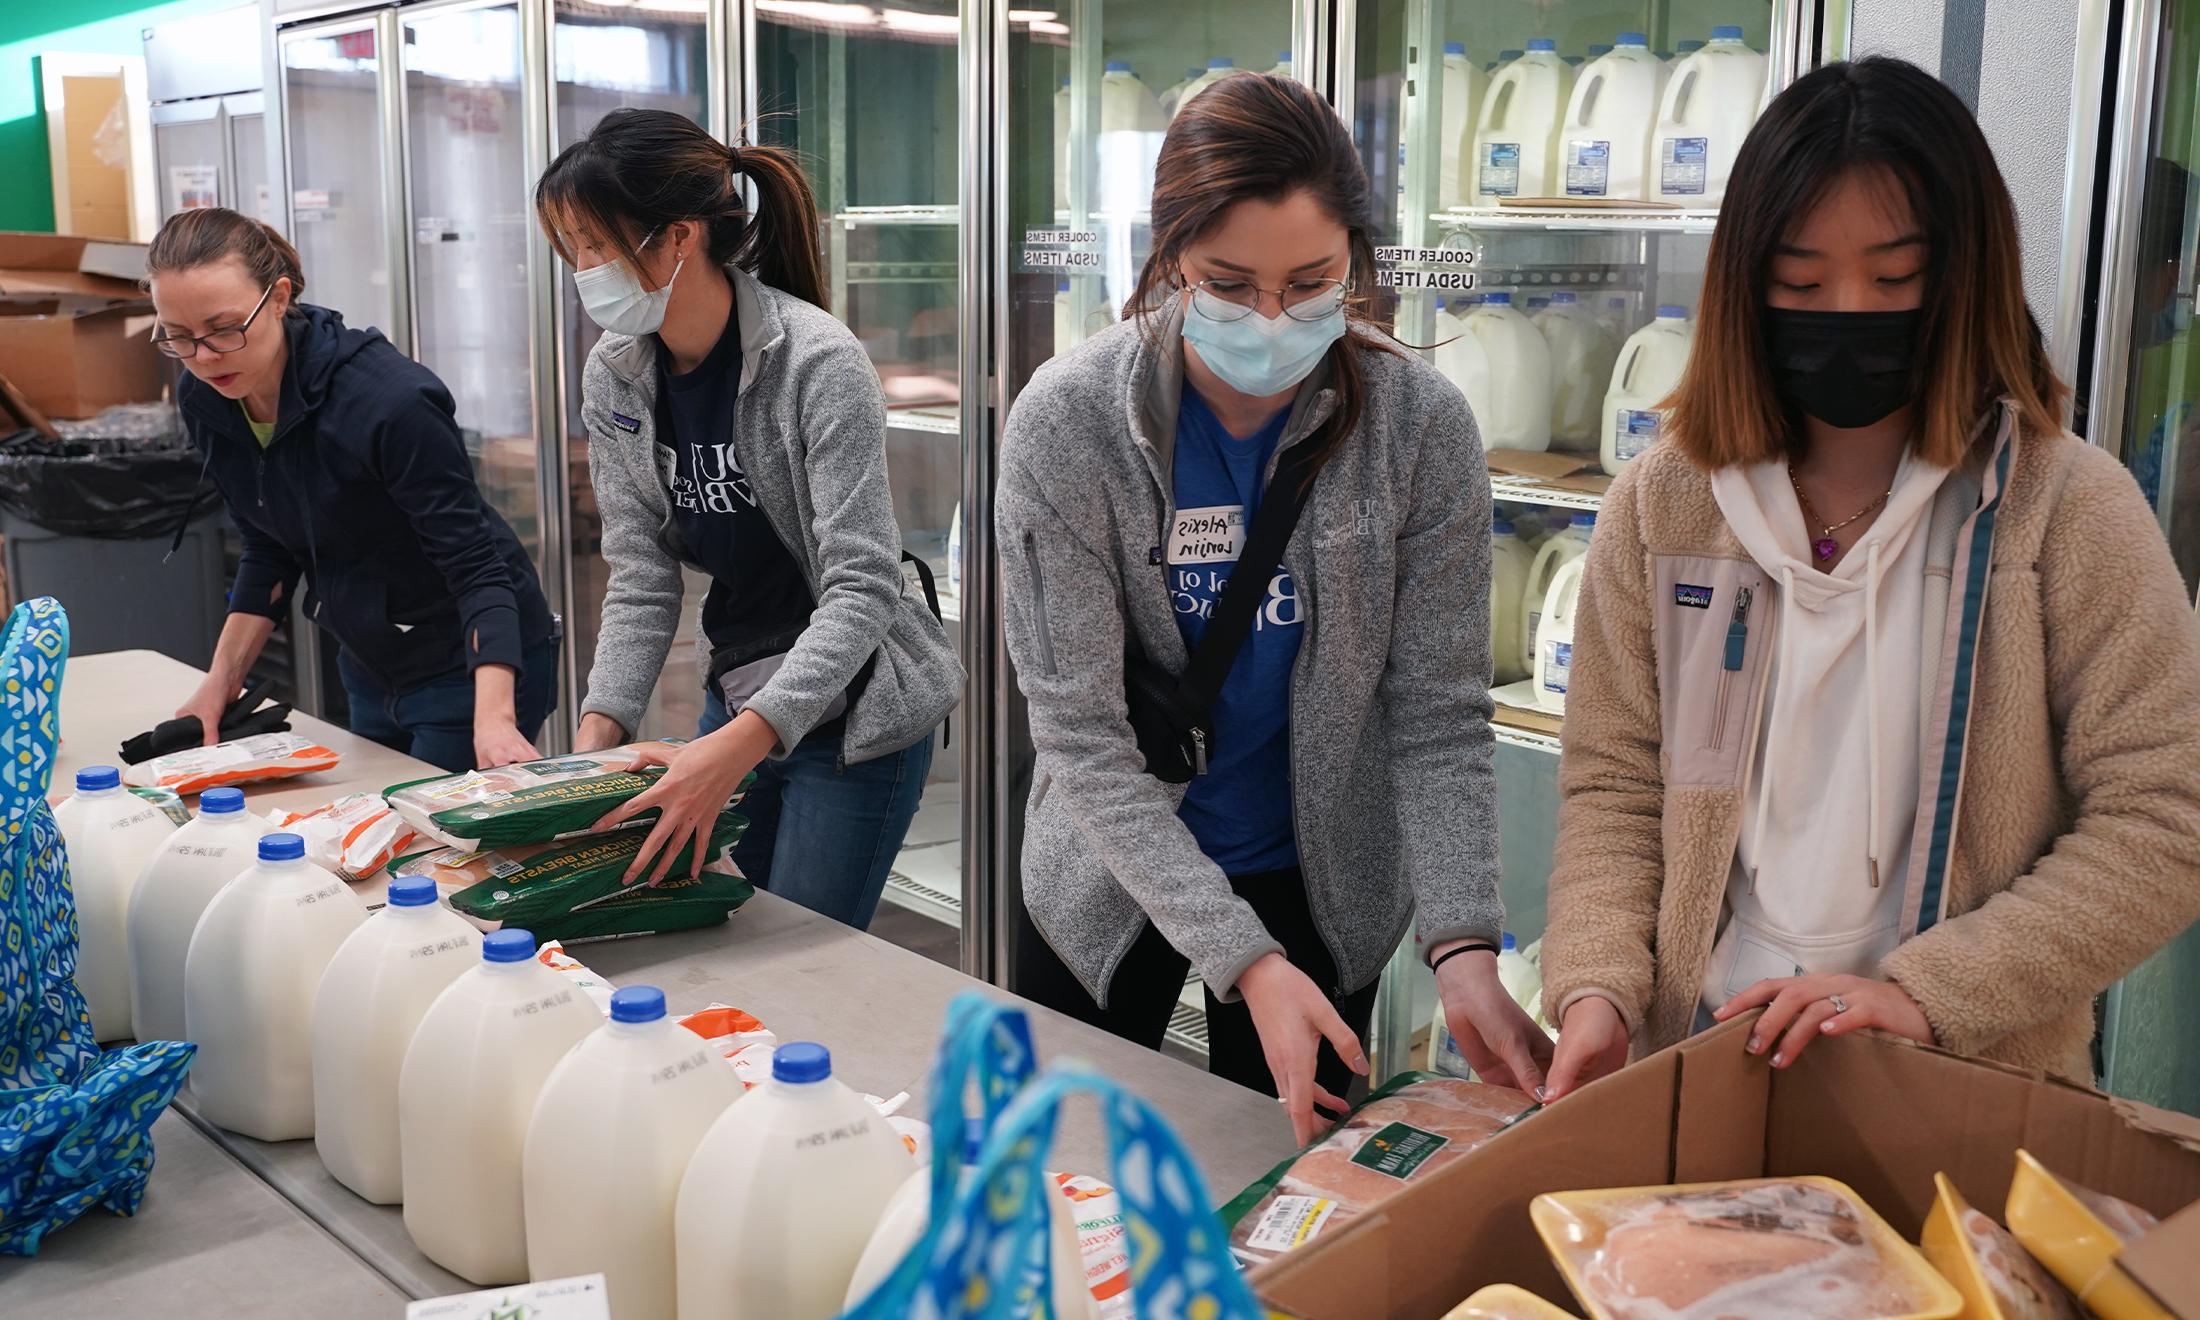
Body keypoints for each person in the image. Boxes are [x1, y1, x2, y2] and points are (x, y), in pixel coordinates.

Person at [1539, 58, 2200, 1100]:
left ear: (1964, 277)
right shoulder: (1664, 504)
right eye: (1799, 284)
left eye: (1895, 280)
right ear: (1743, 285)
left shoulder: (2066, 510)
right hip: (1704, 1057)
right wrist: (1595, 988)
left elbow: (2167, 815)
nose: (1847, 312)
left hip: (1962, 1083)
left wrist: (1932, 992)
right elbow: (1616, 784)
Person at [996, 73, 1549, 1144]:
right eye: (1228, 283)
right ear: (1168, 262)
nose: (1270, 319)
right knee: (1064, 1174)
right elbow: (1080, 739)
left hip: (1319, 881)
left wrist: (1466, 945)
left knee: (1285, 1198)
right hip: (1111, 870)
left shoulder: (1418, 429)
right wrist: (1238, 957)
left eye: (1309, 283)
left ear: (1357, 261)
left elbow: (1435, 716)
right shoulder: (1068, 426)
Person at [534, 110, 960, 918]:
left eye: (594, 244)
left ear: (678, 237)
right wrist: (597, 735)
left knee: (804, 958)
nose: (583, 269)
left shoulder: (817, 362)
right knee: (721, 931)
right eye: (573, 250)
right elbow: (642, 574)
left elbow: (863, 583)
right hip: (739, 685)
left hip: (854, 714)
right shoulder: (618, 373)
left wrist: (740, 745)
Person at [147, 209, 559, 773]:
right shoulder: (206, 397)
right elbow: (269, 548)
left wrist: (493, 720)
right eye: (178, 337)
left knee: (438, 844)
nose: (204, 357)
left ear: (278, 297)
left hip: (470, 662)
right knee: (374, 832)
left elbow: (476, 569)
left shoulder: (390, 403)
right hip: (370, 659)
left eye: (224, 329)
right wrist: (218, 685)